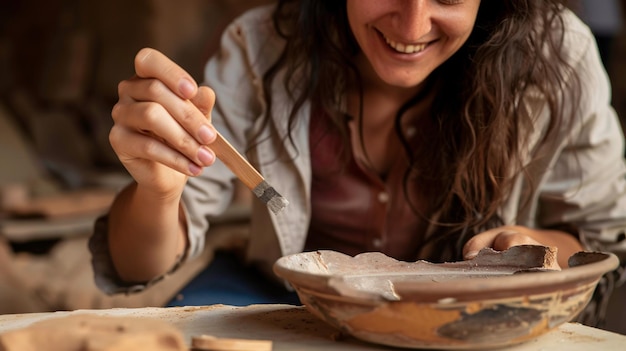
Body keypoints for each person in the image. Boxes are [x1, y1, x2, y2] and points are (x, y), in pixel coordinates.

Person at [90, 0, 626, 325]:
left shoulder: (556, 57)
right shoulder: (259, 47)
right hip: (277, 297)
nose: (412, 25)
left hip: (460, 312)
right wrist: (158, 194)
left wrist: (538, 250)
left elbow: (605, 242)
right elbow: (140, 268)